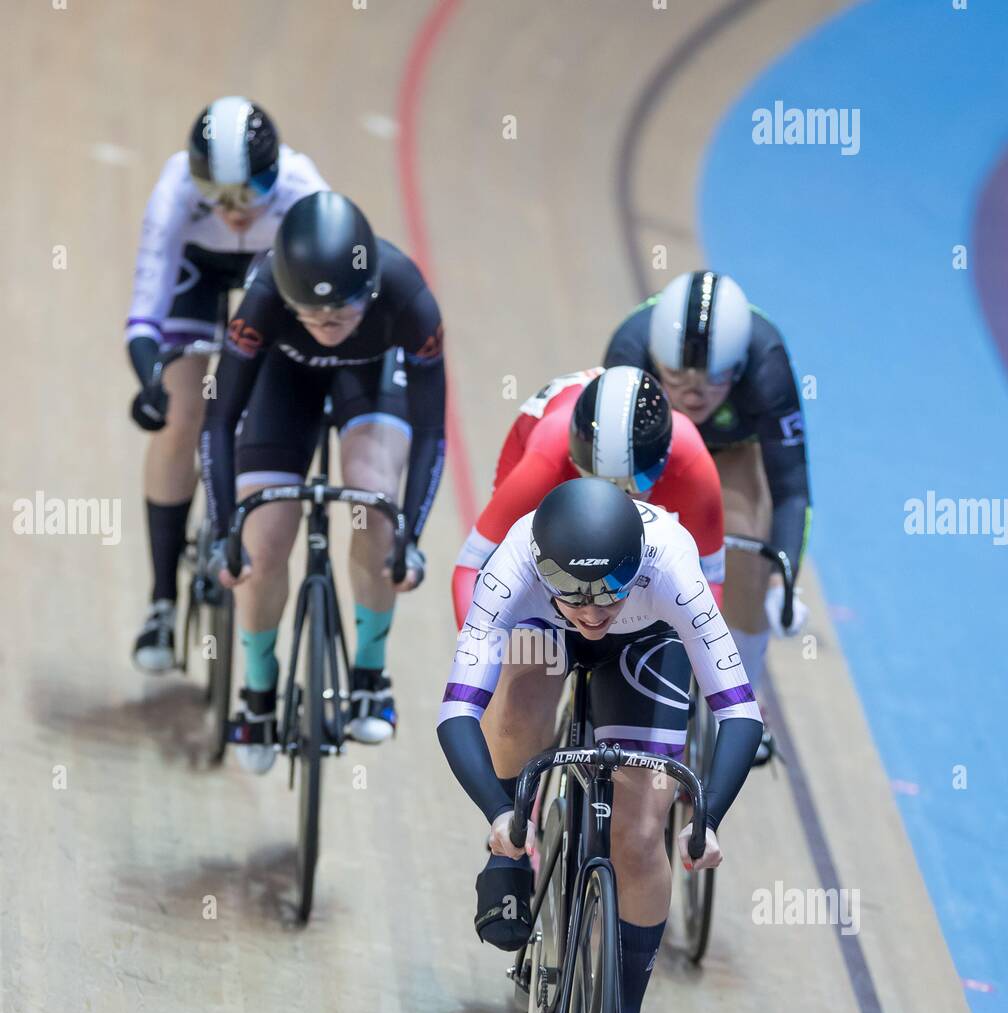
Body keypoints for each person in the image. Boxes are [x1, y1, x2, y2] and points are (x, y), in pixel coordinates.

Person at [438, 478, 761, 1013]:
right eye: (575, 594)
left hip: (646, 646)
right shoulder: (514, 564)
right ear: (543, 568)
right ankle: (513, 851)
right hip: (539, 628)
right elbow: (456, 714)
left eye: (609, 591)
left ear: (635, 566)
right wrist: (499, 814)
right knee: (523, 696)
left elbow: (739, 711)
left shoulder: (670, 559)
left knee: (641, 835)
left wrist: (707, 820)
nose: (590, 611)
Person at [203, 190, 446, 769]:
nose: (323, 325)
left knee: (373, 503)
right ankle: (258, 693)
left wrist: (409, 536)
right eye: (309, 314)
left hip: (369, 376)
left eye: (338, 313)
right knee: (260, 547)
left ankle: (370, 673)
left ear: (369, 291)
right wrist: (222, 534)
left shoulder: (408, 294)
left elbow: (432, 430)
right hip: (283, 382)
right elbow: (218, 419)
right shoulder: (263, 296)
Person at [126, 97, 327, 672]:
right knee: (180, 415)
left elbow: (327, 305)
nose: (233, 210)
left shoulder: (303, 189)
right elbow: (146, 310)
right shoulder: (174, 193)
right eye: (216, 194)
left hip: (273, 271)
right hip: (198, 272)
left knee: (268, 384)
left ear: (276, 173)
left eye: (250, 191)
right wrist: (150, 383)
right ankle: (162, 601)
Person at [604, 271, 810, 762]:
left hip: (730, 453)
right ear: (653, 360)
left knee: (746, 552)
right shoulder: (627, 347)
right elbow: (607, 461)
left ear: (739, 368)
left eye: (714, 380)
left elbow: (791, 489)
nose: (695, 394)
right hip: (654, 445)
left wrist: (783, 580)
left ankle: (742, 702)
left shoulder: (769, 365)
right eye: (677, 377)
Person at [453, 365, 724, 627]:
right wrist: (479, 650)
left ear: (664, 462)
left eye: (633, 486)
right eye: (595, 481)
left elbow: (709, 581)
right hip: (542, 453)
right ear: (575, 461)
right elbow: (472, 566)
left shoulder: (691, 462)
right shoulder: (547, 459)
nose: (613, 499)